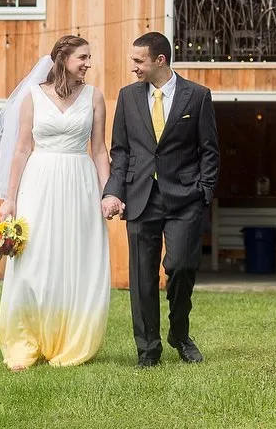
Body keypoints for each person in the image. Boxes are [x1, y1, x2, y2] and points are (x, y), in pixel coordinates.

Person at [0, 35, 111, 371]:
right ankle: (26, 340)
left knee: (76, 257)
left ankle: (70, 340)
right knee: (35, 260)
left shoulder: (95, 97)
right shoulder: (32, 97)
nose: (88, 64)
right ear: (62, 58)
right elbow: (21, 149)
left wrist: (107, 193)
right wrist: (9, 199)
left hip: (80, 182)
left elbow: (99, 149)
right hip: (38, 183)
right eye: (82, 57)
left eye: (89, 57)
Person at [101, 31, 219, 368]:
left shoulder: (197, 96)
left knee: (181, 267)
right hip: (140, 198)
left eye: (139, 61)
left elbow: (209, 150)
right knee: (142, 277)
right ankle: (148, 350)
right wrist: (113, 190)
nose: (133, 67)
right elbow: (121, 151)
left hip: (185, 199)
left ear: (160, 60)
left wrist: (203, 191)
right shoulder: (127, 97)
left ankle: (179, 335)